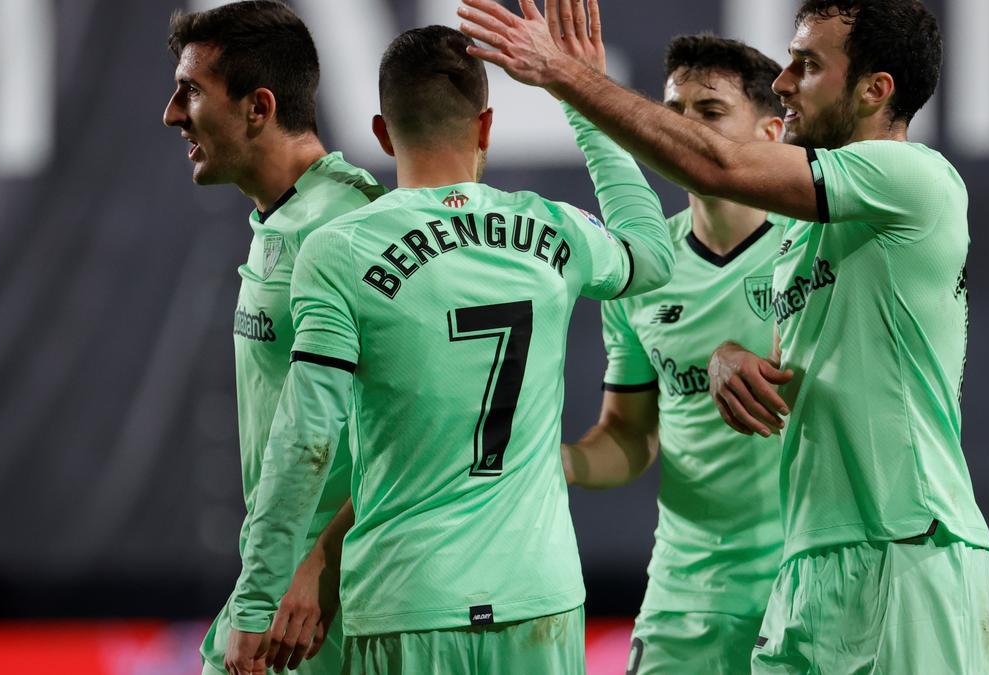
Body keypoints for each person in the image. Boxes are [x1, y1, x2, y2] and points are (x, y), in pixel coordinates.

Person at [460, 0, 989, 672]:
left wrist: (570, 80)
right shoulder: (804, 237)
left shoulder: (914, 179)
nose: (784, 81)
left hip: (902, 544)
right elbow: (813, 371)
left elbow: (718, 167)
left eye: (807, 65)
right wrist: (727, 360)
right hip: (810, 563)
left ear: (873, 89)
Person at [224, 23, 674, 675]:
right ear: (485, 125)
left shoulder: (339, 251)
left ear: (381, 133)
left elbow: (306, 440)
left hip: (409, 602)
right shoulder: (553, 228)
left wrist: (256, 600)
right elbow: (652, 257)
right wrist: (584, 100)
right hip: (538, 601)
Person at [162, 2, 384, 673]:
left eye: (192, 91)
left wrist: (318, 566)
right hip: (277, 595)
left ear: (258, 107)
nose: (173, 113)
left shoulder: (346, 232)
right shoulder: (292, 219)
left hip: (322, 615)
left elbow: (417, 434)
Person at [562, 34, 785, 675]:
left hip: (809, 589)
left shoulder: (818, 249)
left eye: (709, 112)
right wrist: (558, 464)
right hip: (686, 597)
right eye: (673, 109)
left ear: (773, 132)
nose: (680, 128)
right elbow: (629, 436)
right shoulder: (642, 265)